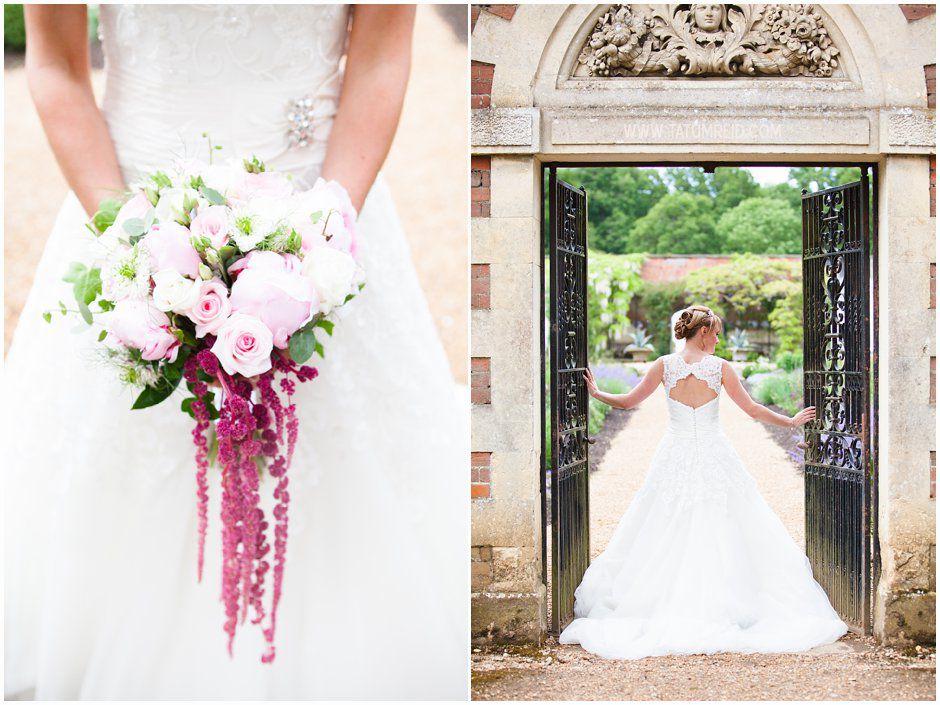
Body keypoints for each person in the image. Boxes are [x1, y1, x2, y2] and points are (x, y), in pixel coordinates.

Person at [5, 4, 467, 699]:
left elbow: (378, 55)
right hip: (125, 217)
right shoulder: (127, 237)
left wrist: (322, 235)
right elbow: (57, 65)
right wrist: (133, 244)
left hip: (319, 220)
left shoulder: (321, 233)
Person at [558, 304, 848, 659]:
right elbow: (753, 410)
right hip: (714, 454)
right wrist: (790, 422)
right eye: (717, 332)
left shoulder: (663, 365)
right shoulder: (720, 368)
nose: (719, 338)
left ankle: (662, 601)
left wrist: (599, 394)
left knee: (662, 520)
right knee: (727, 519)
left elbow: (630, 401)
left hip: (674, 456)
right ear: (703, 332)